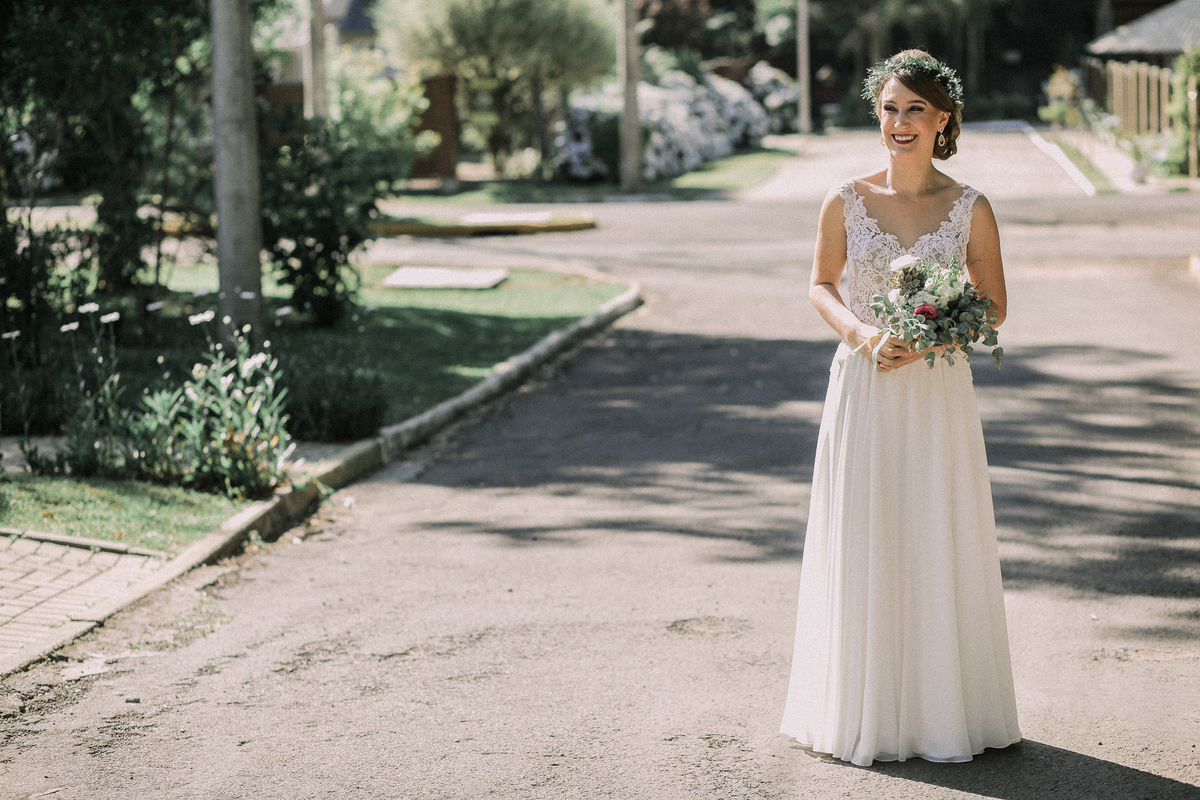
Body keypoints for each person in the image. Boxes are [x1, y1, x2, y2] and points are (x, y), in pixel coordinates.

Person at [779, 50, 1021, 766]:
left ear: (943, 118)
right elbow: (821, 283)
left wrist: (931, 337)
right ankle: (867, 709)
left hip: (936, 386)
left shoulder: (970, 206)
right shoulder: (845, 199)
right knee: (870, 529)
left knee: (935, 527)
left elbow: (996, 305)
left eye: (915, 108)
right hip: (865, 384)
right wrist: (859, 333)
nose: (900, 122)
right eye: (889, 107)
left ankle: (945, 710)